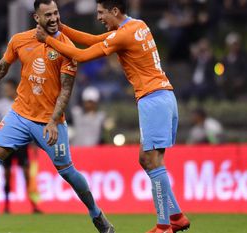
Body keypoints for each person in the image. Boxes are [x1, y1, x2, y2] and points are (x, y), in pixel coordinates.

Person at [0, 1, 114, 232]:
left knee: (68, 172)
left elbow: (66, 90)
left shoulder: (66, 47)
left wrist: (53, 121)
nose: (53, 18)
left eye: (56, 13)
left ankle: (97, 215)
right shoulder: (20, 40)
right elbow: (1, 68)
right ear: (36, 18)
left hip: (49, 121)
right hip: (20, 115)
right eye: (48, 14)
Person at [35, 0, 190, 232]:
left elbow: (81, 54)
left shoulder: (123, 35)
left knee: (154, 162)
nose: (99, 18)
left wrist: (48, 39)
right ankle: (176, 216)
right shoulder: (137, 26)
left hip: (153, 99)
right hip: (164, 98)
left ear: (114, 11)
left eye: (101, 13)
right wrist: (60, 29)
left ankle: (163, 225)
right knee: (145, 159)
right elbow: (93, 40)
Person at [0, 79, 41, 214]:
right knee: (6, 175)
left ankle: (34, 205)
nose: (5, 91)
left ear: (14, 89)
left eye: (7, 88)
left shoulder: (23, 102)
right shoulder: (0, 104)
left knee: (26, 175)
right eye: (5, 89)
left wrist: (34, 143)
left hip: (22, 144)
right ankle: (7, 206)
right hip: (6, 144)